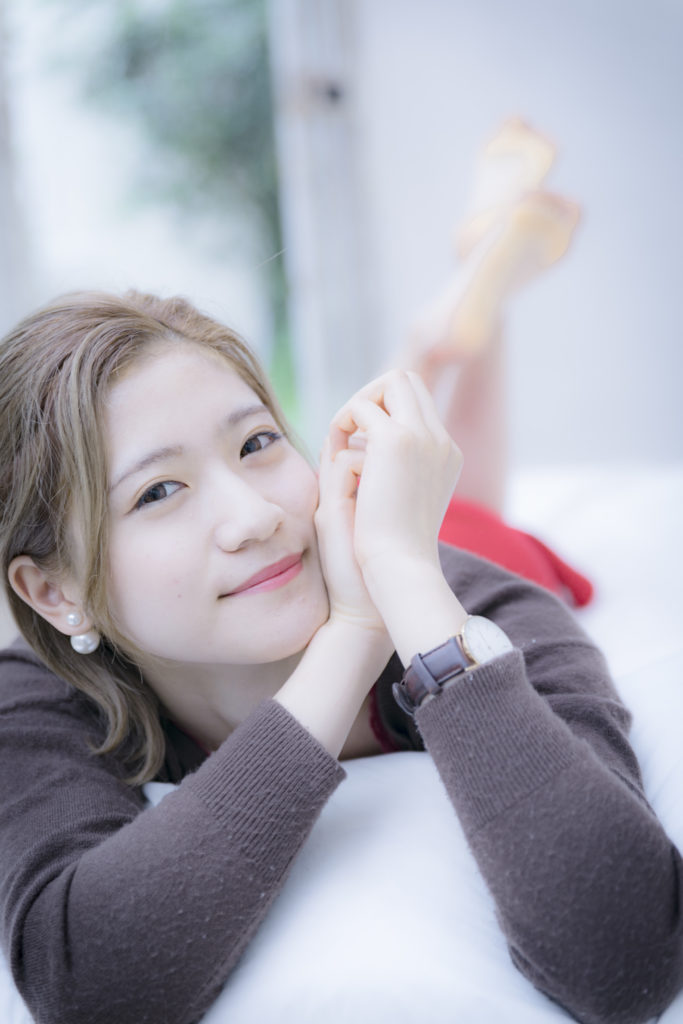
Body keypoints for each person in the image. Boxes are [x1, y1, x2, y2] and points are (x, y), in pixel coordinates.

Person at [0, 134, 681, 1024]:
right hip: (353, 563)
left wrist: (398, 576)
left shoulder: (477, 602)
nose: (254, 514)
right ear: (54, 594)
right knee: (455, 497)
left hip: (445, 554)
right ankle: (446, 322)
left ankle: (451, 327)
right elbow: (93, 983)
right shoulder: (37, 696)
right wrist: (352, 635)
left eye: (257, 441)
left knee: (473, 516)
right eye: (158, 491)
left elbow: (627, 960)